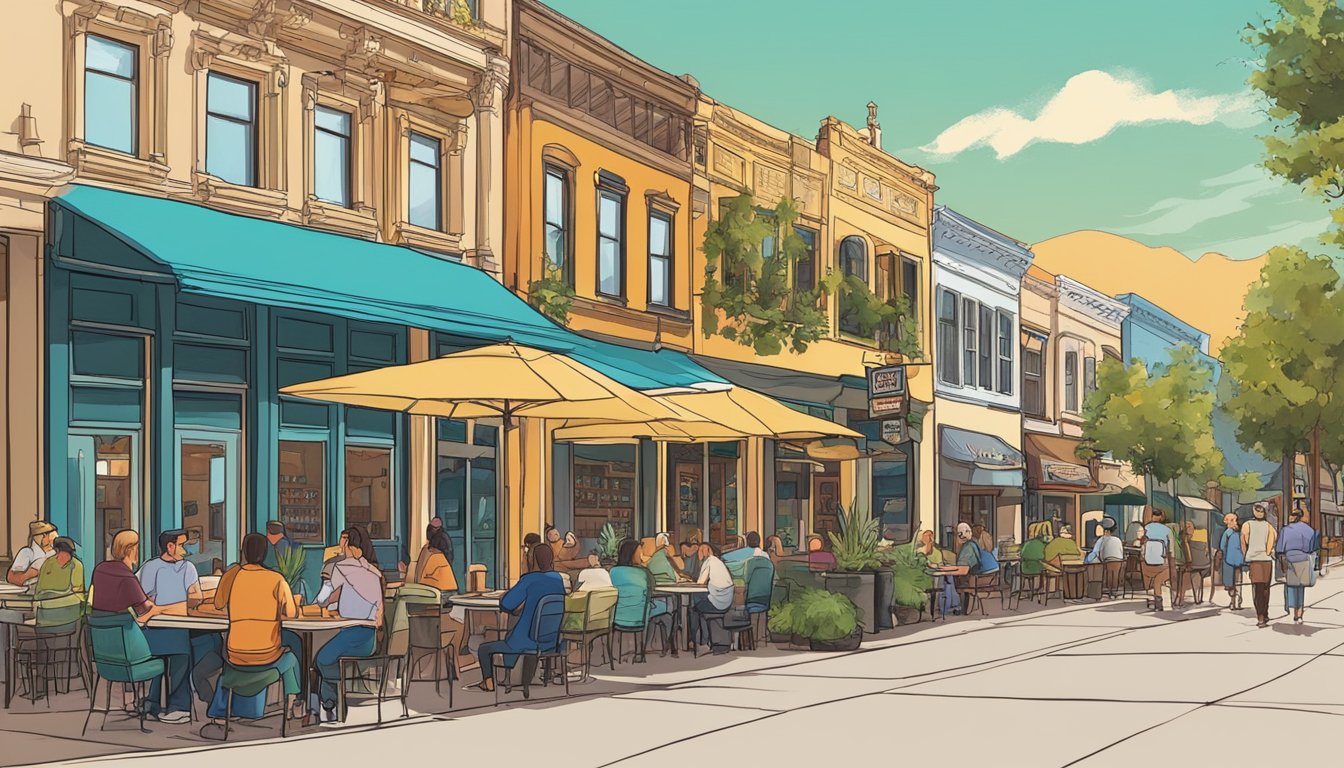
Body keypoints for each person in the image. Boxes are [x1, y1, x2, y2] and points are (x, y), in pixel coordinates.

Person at [204, 533, 304, 737]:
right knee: (293, 655)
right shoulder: (276, 579)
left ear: (243, 552)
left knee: (224, 648)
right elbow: (292, 613)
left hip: (235, 655)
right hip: (268, 656)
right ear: (265, 554)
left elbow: (217, 604)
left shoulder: (232, 574)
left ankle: (220, 711)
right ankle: (293, 706)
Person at [89, 530, 173, 716]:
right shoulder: (127, 577)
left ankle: (145, 702)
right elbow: (144, 609)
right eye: (136, 548)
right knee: (169, 649)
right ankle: (157, 705)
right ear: (130, 550)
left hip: (105, 653)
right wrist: (161, 606)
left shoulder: (100, 570)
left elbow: (112, 601)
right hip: (128, 651)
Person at [470, 543, 565, 693]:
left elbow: (507, 604)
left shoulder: (530, 579)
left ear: (532, 560)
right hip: (549, 642)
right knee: (510, 634)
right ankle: (513, 678)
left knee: (484, 649)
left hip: (525, 640)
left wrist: (505, 596)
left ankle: (488, 683)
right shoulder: (557, 579)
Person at [312, 525, 384, 722]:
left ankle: (331, 698)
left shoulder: (342, 568)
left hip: (352, 633)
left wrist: (316, 603)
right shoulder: (373, 571)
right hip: (368, 639)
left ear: (352, 547)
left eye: (344, 544)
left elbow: (323, 598)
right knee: (325, 656)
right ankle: (329, 702)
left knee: (322, 659)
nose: (341, 548)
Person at [135, 528, 206, 723]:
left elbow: (195, 599)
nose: (186, 549)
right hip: (156, 628)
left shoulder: (188, 568)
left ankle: (159, 704)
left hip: (175, 624)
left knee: (191, 646)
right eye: (183, 545)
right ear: (170, 546)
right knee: (179, 652)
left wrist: (159, 609)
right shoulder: (151, 567)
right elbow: (143, 603)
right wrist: (171, 608)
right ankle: (175, 706)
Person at [609, 539, 677, 658]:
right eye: (639, 552)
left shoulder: (613, 572)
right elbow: (652, 589)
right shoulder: (643, 572)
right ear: (634, 554)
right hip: (639, 615)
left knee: (656, 609)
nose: (641, 555)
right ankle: (667, 645)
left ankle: (647, 645)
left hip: (619, 616)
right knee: (669, 608)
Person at [1276, 507, 1317, 625]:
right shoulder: (1309, 530)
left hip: (1290, 559)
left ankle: (1295, 612)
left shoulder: (1286, 530)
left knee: (1292, 586)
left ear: (1294, 517)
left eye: (1291, 515)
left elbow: (1280, 548)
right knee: (1301, 586)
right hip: (1304, 558)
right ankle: (1300, 613)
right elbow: (1313, 547)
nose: (1289, 517)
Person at [690, 543, 734, 653]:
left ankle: (696, 641)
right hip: (726, 602)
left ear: (706, 551)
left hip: (717, 603)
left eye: (700, 550)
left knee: (694, 608)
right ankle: (705, 640)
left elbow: (700, 582)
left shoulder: (709, 562)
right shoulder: (718, 562)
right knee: (699, 605)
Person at [1241, 503, 1277, 628]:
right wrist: (1267, 552)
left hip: (1254, 560)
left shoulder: (1247, 525)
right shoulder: (1269, 526)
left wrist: (1246, 556)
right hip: (1266, 560)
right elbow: (1272, 541)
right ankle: (1265, 613)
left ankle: (1260, 616)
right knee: (1266, 588)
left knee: (1257, 588)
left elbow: (1243, 542)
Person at [1138, 508, 1173, 612]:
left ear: (1152, 516)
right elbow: (1171, 549)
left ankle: (1153, 598)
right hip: (1162, 563)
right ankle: (1158, 601)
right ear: (1161, 517)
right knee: (1160, 579)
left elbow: (1141, 544)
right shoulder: (1167, 530)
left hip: (1147, 563)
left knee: (1152, 578)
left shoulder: (1146, 528)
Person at [9, 521, 58, 587]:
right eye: (53, 538)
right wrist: (30, 574)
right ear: (44, 536)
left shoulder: (54, 553)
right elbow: (12, 578)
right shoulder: (27, 552)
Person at [1218, 512, 1245, 610]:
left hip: (1228, 560)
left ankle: (1233, 602)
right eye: (1231, 520)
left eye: (1235, 520)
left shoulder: (1227, 533)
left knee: (1231, 582)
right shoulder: (1239, 532)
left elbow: (1222, 546)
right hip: (1239, 560)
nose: (1235, 522)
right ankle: (1237, 602)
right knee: (1238, 581)